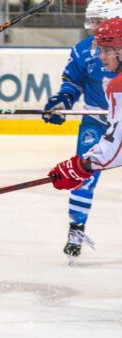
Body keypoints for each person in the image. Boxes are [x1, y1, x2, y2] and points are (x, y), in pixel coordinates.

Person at [42, 0, 122, 265]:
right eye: (92, 21)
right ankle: (76, 229)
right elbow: (71, 84)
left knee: (84, 166)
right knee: (84, 175)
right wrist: (61, 101)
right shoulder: (82, 50)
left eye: (100, 20)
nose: (94, 27)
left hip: (116, 120)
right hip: (96, 122)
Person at [50, 19, 122, 206]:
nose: (101, 57)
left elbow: (115, 149)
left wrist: (80, 167)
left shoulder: (119, 86)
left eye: (106, 51)